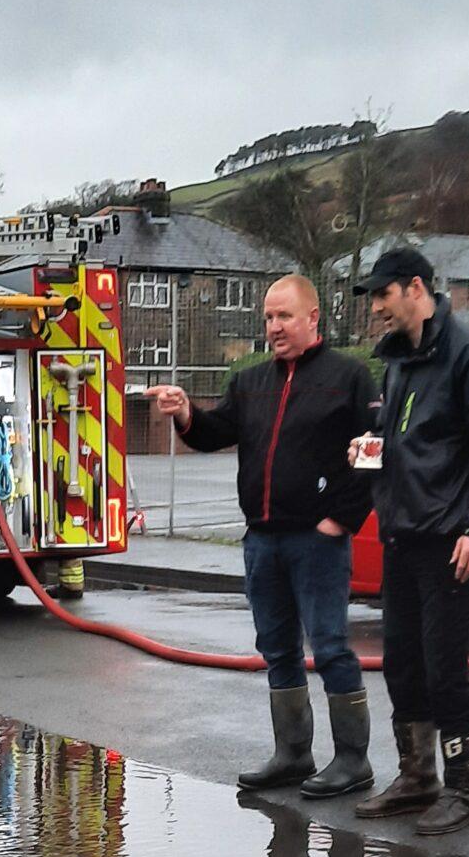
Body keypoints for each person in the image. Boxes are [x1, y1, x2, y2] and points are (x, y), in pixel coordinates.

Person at [152, 277, 377, 796]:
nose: (274, 327)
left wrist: (340, 520)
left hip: (318, 541)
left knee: (330, 646)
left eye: (285, 317)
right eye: (269, 318)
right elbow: (213, 433)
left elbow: (374, 454)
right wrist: (185, 413)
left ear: (313, 317)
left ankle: (353, 760)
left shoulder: (349, 378)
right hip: (263, 541)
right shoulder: (251, 382)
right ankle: (294, 754)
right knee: (277, 648)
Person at [353, 248, 469, 834]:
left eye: (382, 295)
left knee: (445, 666)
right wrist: (367, 449)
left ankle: (464, 790)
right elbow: (393, 434)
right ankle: (417, 776)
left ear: (415, 288)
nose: (376, 308)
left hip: (451, 541)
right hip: (402, 536)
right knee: (402, 660)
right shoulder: (398, 360)